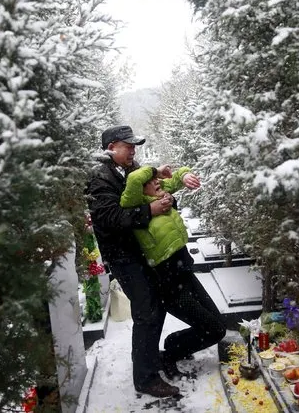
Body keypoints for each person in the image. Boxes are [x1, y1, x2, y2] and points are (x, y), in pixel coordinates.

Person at [85, 125, 178, 398]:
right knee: (146, 309)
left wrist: (164, 193)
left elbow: (147, 187)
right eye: (128, 145)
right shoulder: (99, 178)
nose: (133, 150)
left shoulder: (129, 168)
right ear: (112, 147)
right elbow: (109, 219)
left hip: (139, 249)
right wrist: (148, 210)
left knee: (154, 307)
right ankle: (146, 378)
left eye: (134, 145)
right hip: (122, 256)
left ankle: (148, 361)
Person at [120, 165, 227, 379]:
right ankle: (171, 353)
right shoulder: (135, 204)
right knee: (213, 329)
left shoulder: (158, 195)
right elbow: (133, 180)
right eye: (152, 181)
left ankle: (173, 342)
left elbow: (177, 177)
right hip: (168, 284)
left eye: (157, 180)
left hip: (185, 272)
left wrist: (185, 175)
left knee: (218, 325)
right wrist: (153, 170)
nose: (157, 182)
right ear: (141, 189)